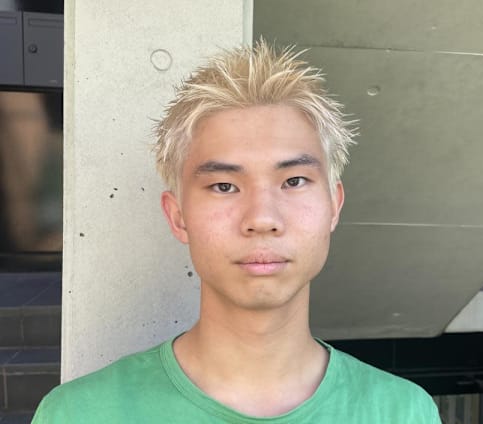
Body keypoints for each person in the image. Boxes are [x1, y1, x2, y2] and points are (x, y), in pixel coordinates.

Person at [32, 40, 441, 423]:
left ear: (334, 205)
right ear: (178, 216)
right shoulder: (79, 414)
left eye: (294, 181)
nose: (261, 218)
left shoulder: (403, 412)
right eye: (224, 186)